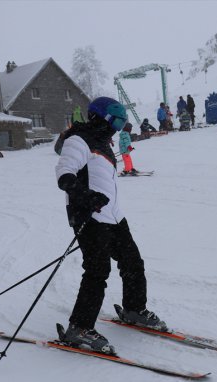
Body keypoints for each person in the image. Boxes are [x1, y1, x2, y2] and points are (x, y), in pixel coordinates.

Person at [54, 97, 166, 354]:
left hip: (113, 216)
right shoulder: (78, 140)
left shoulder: (103, 143)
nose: (117, 127)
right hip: (89, 216)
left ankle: (134, 309)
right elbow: (64, 175)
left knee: (132, 262)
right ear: (100, 118)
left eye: (121, 122)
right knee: (97, 270)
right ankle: (79, 328)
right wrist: (87, 197)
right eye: (115, 121)